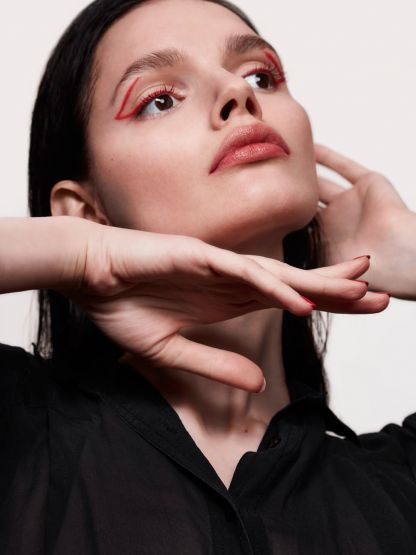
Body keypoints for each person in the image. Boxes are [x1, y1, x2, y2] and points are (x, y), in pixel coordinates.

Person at [1, 0, 415, 553]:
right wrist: (81, 255)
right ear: (85, 212)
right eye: (160, 100)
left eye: (261, 76)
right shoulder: (20, 440)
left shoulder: (399, 487)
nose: (237, 92)